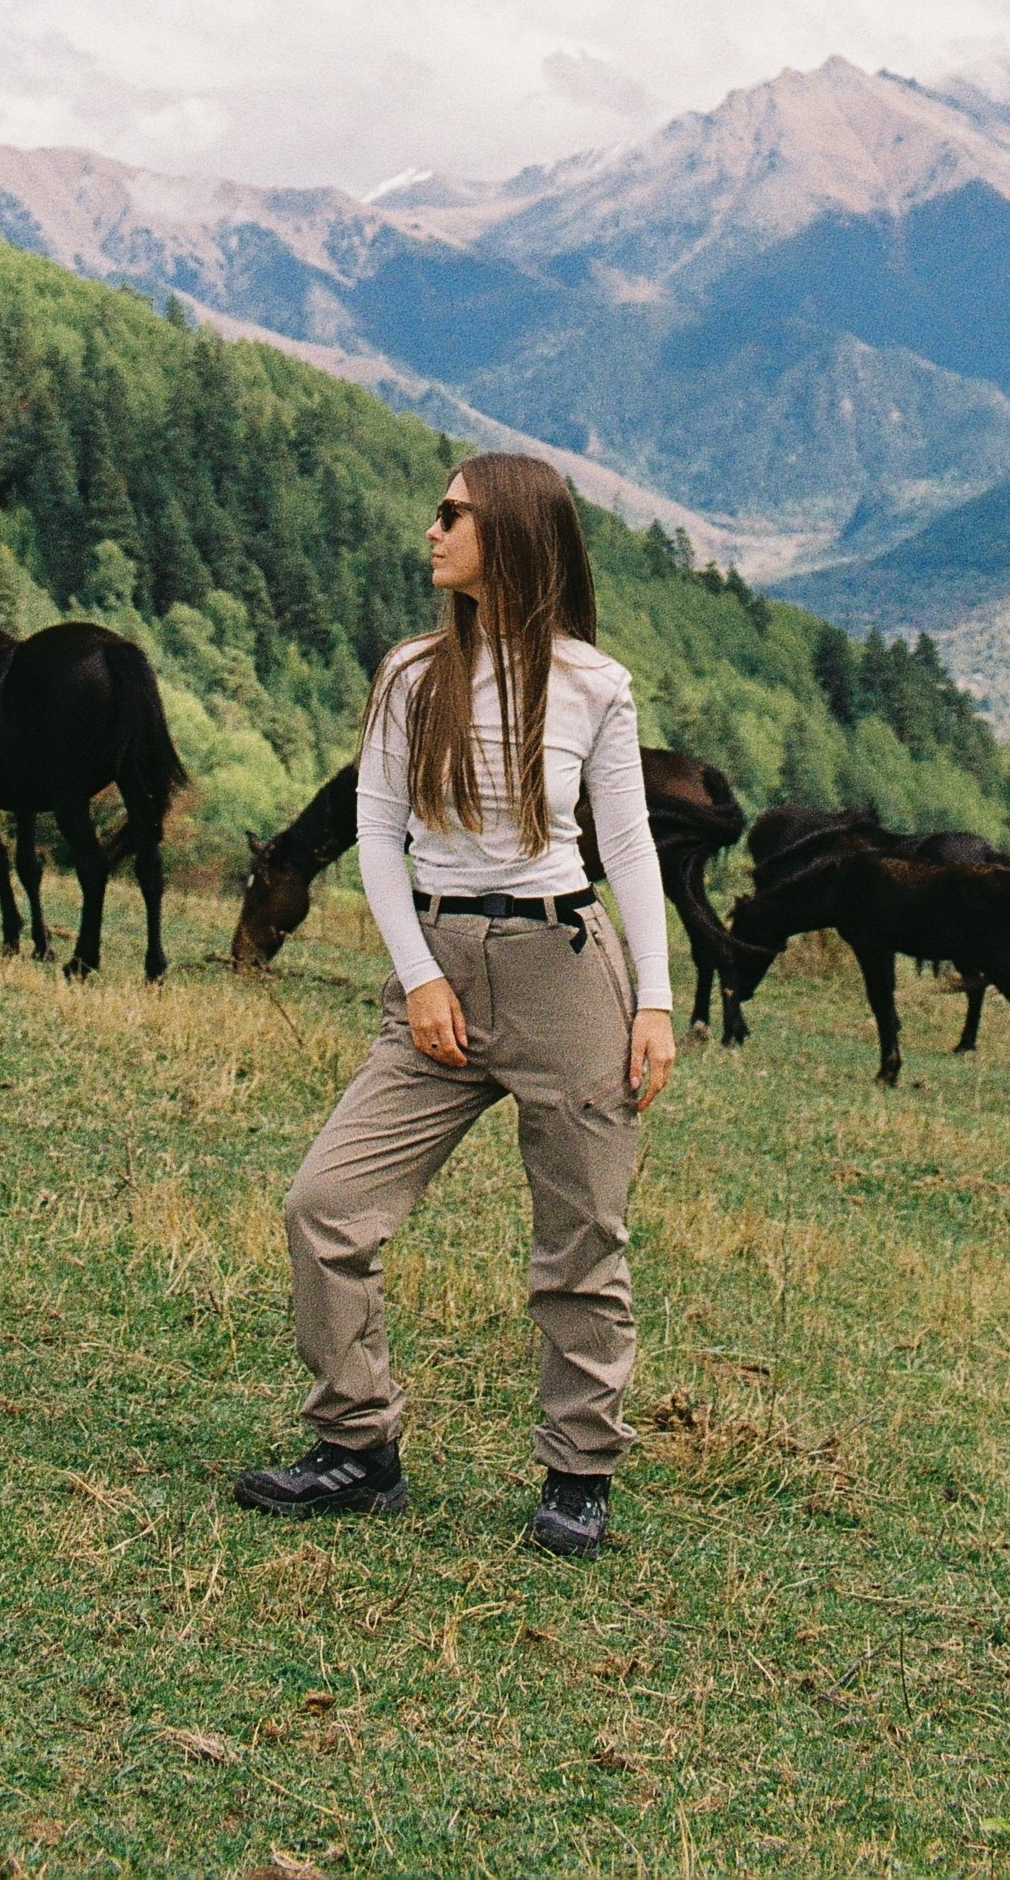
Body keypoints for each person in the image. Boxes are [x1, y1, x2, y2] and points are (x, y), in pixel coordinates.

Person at [232, 451, 677, 1558]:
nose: (431, 531)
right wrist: (421, 976)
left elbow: (628, 847)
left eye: (453, 515)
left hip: (563, 968)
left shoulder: (594, 683)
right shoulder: (411, 674)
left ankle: (578, 1473)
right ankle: (357, 1446)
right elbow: (376, 831)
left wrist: (656, 1001)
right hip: (436, 963)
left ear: (513, 533)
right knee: (325, 1204)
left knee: (582, 1238)